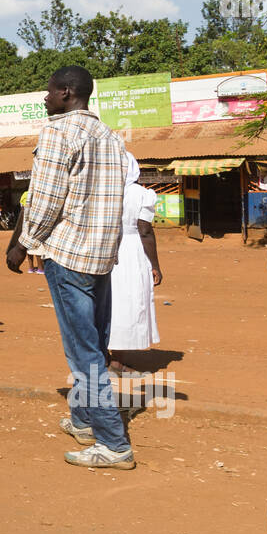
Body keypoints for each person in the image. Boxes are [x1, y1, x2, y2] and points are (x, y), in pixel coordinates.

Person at [6, 66, 131, 470]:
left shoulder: (59, 133)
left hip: (70, 255)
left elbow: (44, 200)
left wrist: (22, 244)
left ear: (65, 93)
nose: (44, 100)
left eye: (47, 92)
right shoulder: (111, 137)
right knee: (92, 340)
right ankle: (82, 421)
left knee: (84, 352)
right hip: (101, 257)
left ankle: (113, 445)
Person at [107, 152, 163, 375]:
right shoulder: (141, 194)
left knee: (109, 303)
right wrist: (156, 265)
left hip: (106, 249)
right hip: (131, 250)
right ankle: (118, 363)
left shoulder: (105, 192)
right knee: (128, 304)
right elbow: (145, 230)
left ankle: (106, 357)